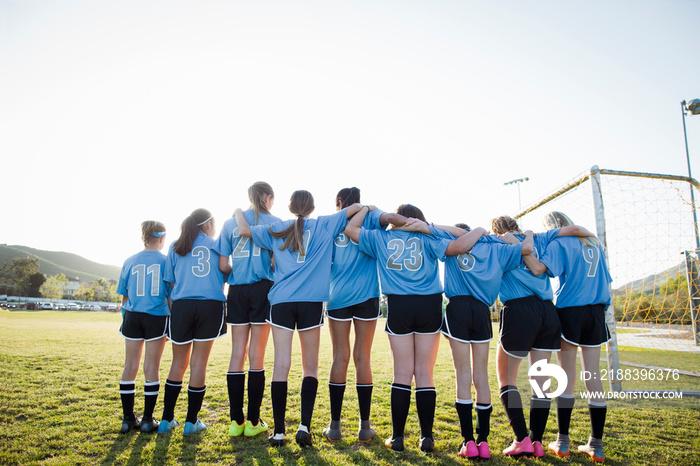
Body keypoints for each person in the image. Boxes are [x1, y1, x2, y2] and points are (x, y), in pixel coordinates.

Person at [344, 205, 487, 453]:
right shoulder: (428, 236)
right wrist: (473, 230)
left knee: (401, 373)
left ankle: (398, 437)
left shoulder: (381, 237)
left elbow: (349, 229)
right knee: (424, 373)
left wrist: (369, 210)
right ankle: (426, 438)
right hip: (429, 304)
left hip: (399, 303)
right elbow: (459, 245)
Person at [233, 190, 363, 448]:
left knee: (281, 365)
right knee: (310, 367)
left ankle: (279, 432)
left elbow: (244, 230)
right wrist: (368, 207)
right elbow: (356, 208)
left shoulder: (277, 226)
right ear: (312, 207)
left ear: (291, 207)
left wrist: (239, 210)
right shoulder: (325, 223)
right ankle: (304, 427)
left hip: (281, 301)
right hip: (310, 302)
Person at [427, 222, 533, 459]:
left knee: (463, 375)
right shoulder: (495, 247)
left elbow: (432, 230)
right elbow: (526, 249)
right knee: (481, 377)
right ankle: (483, 443)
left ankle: (469, 442)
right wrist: (525, 234)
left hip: (459, 309)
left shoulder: (454, 246)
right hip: (483, 311)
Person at [492, 215, 594, 458]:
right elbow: (575, 228)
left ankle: (521, 439)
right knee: (540, 380)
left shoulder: (496, 243)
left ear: (496, 230)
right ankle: (537, 441)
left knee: (506, 379)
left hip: (519, 310)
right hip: (548, 312)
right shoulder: (541, 237)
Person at [520, 211, 611, 463]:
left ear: (551, 227)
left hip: (570, 310)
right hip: (596, 311)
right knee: (593, 376)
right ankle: (597, 445)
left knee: (567, 377)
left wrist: (525, 247)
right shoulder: (594, 244)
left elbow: (538, 269)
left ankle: (562, 441)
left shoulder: (559, 243)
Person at [323, 187, 406, 444]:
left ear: (340, 202)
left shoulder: (332, 222)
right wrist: (375, 211)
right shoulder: (372, 215)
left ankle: (335, 427)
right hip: (367, 296)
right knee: (363, 358)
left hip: (337, 296)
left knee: (340, 356)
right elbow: (393, 218)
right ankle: (364, 428)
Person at [215, 182, 281, 438]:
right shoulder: (275, 222)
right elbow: (278, 261)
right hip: (263, 288)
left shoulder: (231, 222)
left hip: (238, 290)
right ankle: (254, 422)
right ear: (268, 197)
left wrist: (237, 273)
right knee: (257, 355)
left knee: (236, 354)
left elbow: (223, 264)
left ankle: (236, 422)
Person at [158, 209, 227, 435]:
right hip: (210, 306)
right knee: (199, 363)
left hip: (182, 306)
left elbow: (169, 283)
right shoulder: (217, 245)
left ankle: (167, 420)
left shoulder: (176, 246)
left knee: (178, 363)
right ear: (208, 224)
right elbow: (226, 273)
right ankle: (191, 422)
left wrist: (176, 309)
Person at [116, 221, 170, 434]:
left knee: (130, 366)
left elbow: (124, 296)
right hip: (156, 317)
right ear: (162, 238)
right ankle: (147, 419)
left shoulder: (130, 261)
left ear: (143, 238)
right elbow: (170, 296)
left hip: (132, 316)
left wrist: (126, 315)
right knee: (151, 368)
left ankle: (128, 419)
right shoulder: (166, 262)